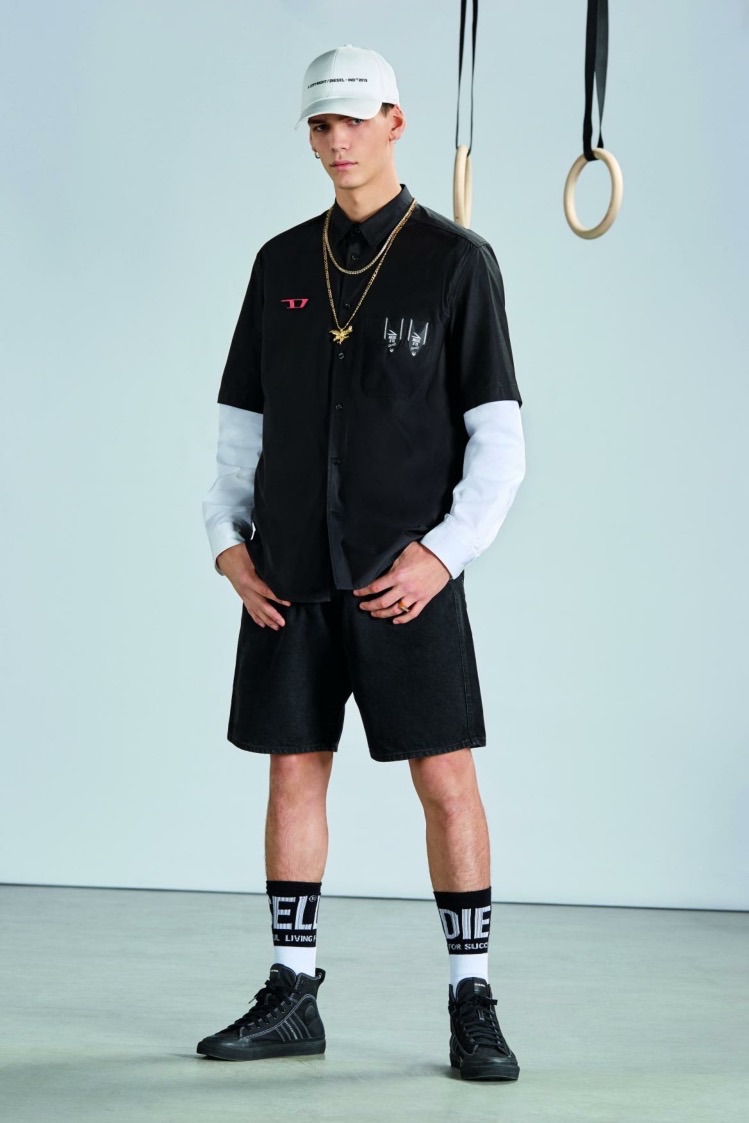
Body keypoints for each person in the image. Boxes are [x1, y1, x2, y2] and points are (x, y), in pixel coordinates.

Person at [197, 44, 526, 1082]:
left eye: (354, 119)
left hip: (404, 582)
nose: (337, 140)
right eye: (320, 124)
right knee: (292, 772)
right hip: (288, 578)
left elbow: (499, 441)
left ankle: (470, 995)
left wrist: (442, 556)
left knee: (446, 782)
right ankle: (292, 989)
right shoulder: (279, 264)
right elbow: (240, 428)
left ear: (394, 122)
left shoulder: (454, 262)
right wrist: (227, 544)